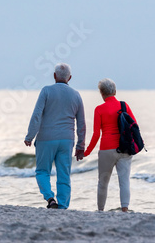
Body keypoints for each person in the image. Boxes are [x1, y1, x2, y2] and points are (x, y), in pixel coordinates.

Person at [24, 63, 86, 209]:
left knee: (42, 171)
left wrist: (30, 136)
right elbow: (82, 124)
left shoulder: (46, 91)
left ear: (54, 76)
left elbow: (36, 115)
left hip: (46, 138)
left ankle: (50, 198)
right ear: (69, 77)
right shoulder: (76, 95)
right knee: (64, 174)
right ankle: (63, 206)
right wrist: (80, 146)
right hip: (66, 140)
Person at [84, 78, 136, 212]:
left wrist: (86, 152)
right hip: (124, 148)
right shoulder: (124, 106)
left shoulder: (99, 109)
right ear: (115, 91)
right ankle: (125, 209)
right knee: (124, 181)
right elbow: (134, 126)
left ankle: (101, 210)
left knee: (103, 182)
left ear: (101, 93)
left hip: (107, 149)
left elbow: (96, 135)